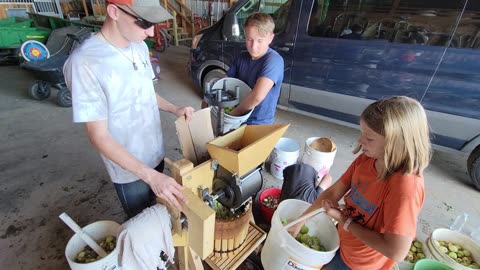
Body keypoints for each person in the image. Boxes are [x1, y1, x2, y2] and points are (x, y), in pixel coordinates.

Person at [63, 0, 194, 218]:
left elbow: (145, 92)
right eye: (144, 23)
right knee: (142, 219)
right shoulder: (85, 62)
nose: (152, 33)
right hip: (128, 169)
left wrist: (174, 108)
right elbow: (99, 137)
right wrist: (151, 177)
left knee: (161, 209)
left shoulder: (140, 46)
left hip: (155, 151)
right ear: (114, 11)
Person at [291, 96, 431, 270]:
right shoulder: (368, 159)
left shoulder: (406, 187)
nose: (360, 141)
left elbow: (396, 251)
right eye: (362, 133)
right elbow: (333, 193)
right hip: (340, 242)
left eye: (369, 138)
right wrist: (299, 222)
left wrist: (343, 220)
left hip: (360, 264)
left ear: (396, 144)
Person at [203, 12, 284, 125]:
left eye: (260, 40)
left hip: (258, 123)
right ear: (245, 35)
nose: (253, 46)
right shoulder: (242, 56)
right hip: (237, 119)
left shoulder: (273, 61)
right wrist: (209, 99)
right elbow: (224, 82)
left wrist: (231, 116)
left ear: (270, 38)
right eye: (249, 39)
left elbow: (257, 97)